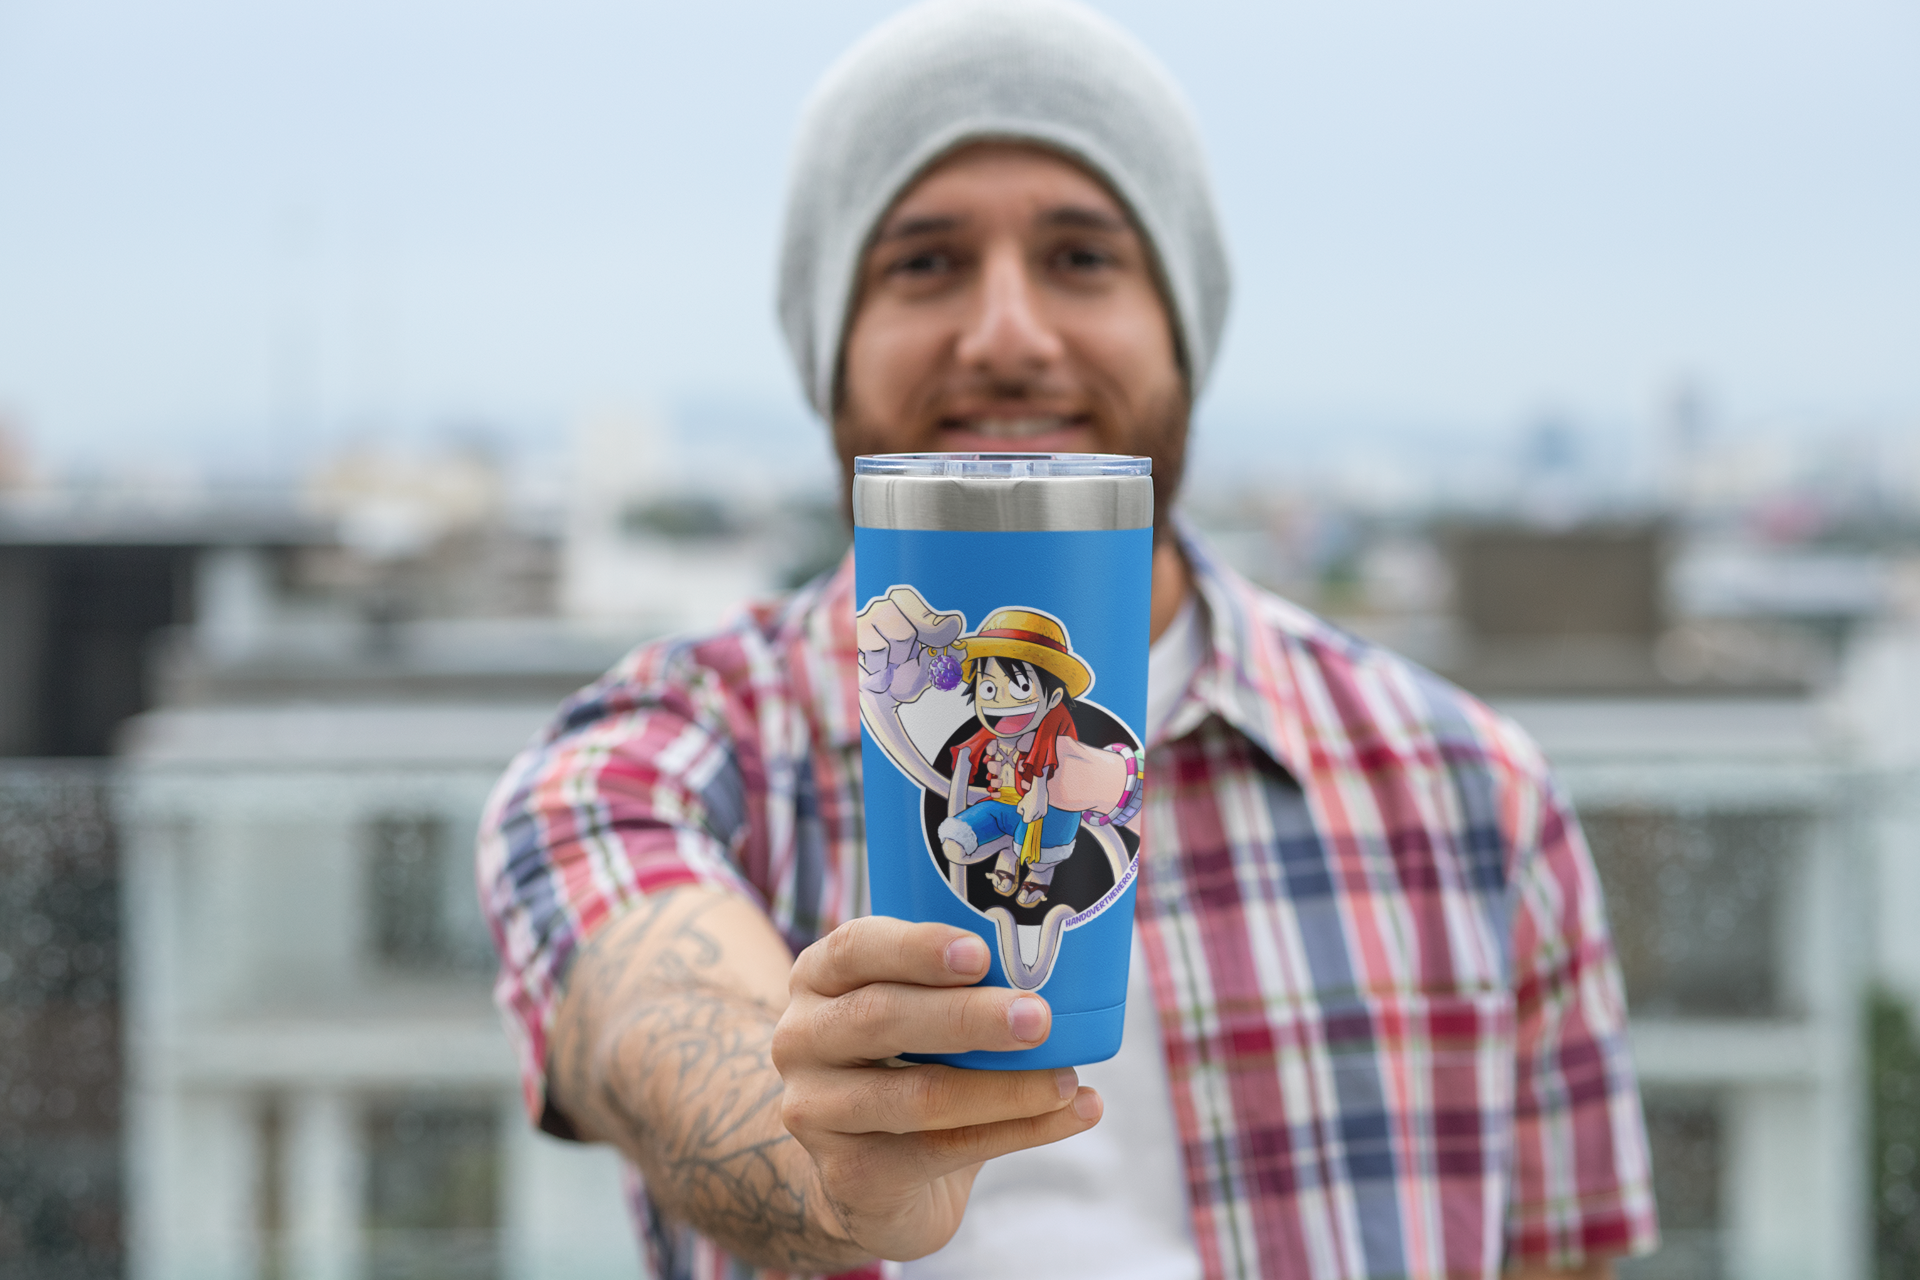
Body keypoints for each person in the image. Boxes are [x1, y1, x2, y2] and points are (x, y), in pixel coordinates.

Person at [477, 2, 1658, 1278]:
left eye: (1083, 257)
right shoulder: (655, 748)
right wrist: (817, 1149)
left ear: (1183, 329)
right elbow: (649, 1010)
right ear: (831, 349)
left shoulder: (1472, 789)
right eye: (924, 263)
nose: (1008, 334)